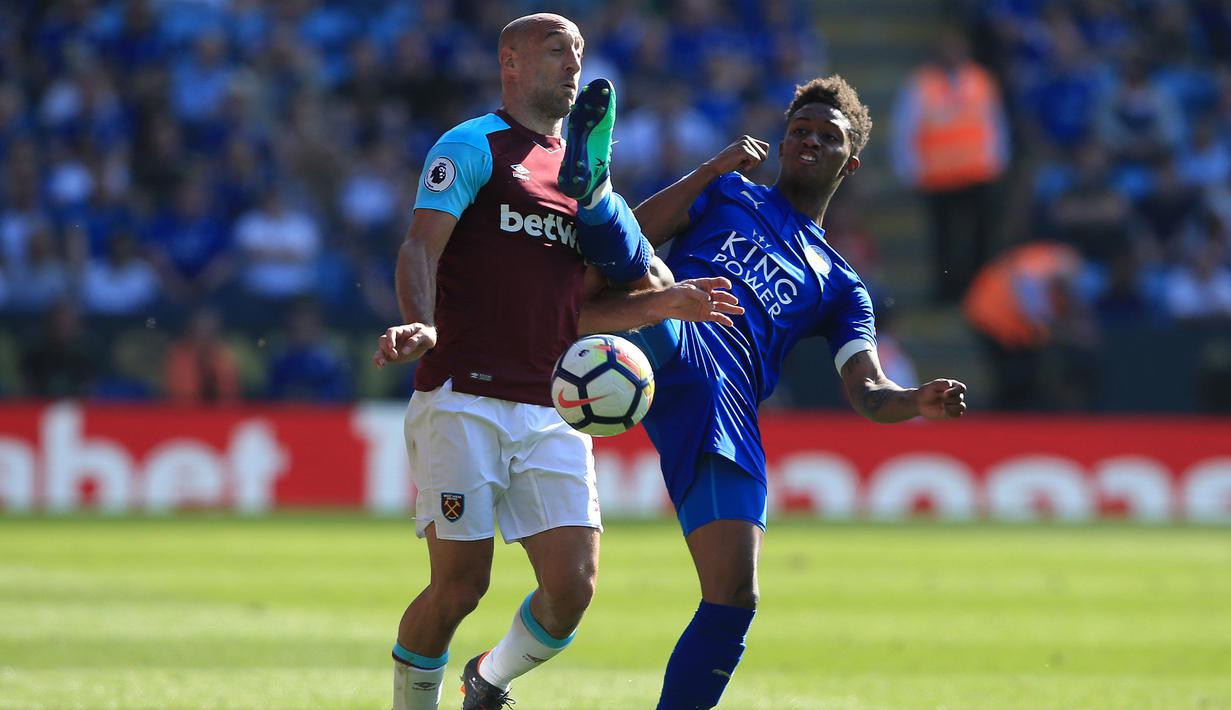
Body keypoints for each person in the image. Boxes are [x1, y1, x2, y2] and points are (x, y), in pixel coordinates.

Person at [370, 14, 742, 710]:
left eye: (577, 53)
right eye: (554, 51)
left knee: (572, 588)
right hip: (463, 398)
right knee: (459, 587)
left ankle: (487, 679)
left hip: (550, 405)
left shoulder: (581, 178)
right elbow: (420, 247)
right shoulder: (473, 144)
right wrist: (419, 321)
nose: (572, 65)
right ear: (509, 62)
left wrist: (662, 305)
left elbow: (572, 314)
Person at [626, 75, 968, 709]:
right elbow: (633, 235)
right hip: (672, 327)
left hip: (724, 404)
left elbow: (868, 391)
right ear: (782, 144)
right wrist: (713, 167)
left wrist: (914, 400)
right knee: (639, 277)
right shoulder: (728, 191)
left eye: (826, 135)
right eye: (799, 131)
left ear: (851, 161)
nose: (808, 140)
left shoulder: (841, 285)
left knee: (734, 596)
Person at [891, 30, 1009, 303]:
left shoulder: (981, 80)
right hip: (939, 176)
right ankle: (947, 291)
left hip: (978, 172)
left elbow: (994, 123)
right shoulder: (921, 84)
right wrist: (909, 168)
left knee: (980, 235)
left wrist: (998, 159)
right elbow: (905, 129)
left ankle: (978, 290)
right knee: (944, 237)